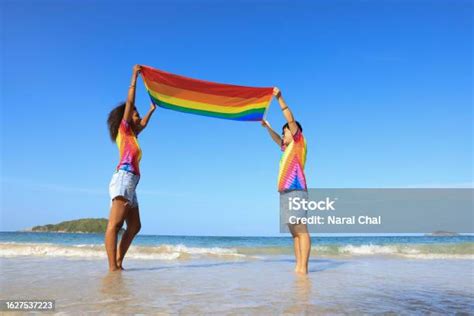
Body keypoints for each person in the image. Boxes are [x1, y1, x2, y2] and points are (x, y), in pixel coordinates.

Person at [105, 64, 157, 271]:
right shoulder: (124, 130)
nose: (138, 116)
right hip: (124, 179)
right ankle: (112, 268)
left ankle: (118, 262)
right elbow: (130, 102)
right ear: (126, 118)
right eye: (135, 114)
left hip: (131, 183)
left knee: (135, 226)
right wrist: (134, 78)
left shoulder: (133, 136)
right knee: (115, 225)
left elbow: (143, 124)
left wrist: (152, 109)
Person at [262, 87, 311, 274]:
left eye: (286, 132)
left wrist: (279, 99)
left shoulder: (299, 142)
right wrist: (268, 127)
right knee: (294, 233)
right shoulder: (287, 148)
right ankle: (298, 267)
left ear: (294, 132)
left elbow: (289, 119)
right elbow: (276, 140)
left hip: (296, 189)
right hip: (285, 191)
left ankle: (303, 268)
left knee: (301, 229)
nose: (284, 135)